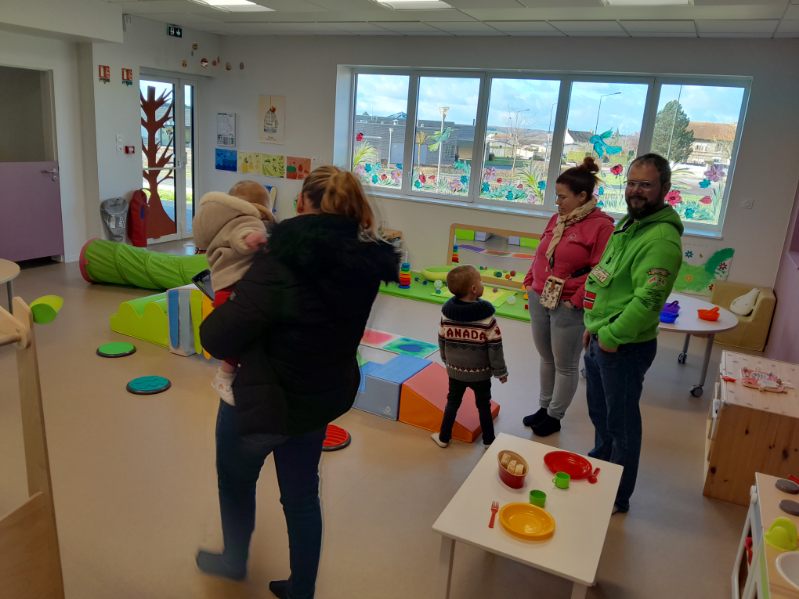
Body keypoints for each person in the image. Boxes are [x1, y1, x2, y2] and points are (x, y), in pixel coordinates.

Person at [195, 166, 400, 599]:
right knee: (302, 496)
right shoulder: (365, 264)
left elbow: (218, 337)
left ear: (303, 203)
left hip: (259, 400)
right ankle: (301, 588)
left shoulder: (280, 259)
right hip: (318, 399)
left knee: (234, 482)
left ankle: (233, 561)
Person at [581, 153, 684, 514]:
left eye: (645, 184)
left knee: (621, 424)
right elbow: (607, 277)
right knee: (601, 415)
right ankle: (600, 468)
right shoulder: (630, 224)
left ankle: (617, 495)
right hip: (601, 337)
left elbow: (649, 300)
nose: (635, 191)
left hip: (622, 347)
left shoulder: (660, 239)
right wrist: (593, 327)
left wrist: (610, 336)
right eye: (631, 182)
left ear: (665, 190)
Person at [522, 157, 614, 437]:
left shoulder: (602, 227)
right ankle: (543, 406)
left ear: (582, 196)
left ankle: (555, 415)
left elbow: (602, 271)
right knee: (546, 357)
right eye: (556, 196)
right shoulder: (557, 219)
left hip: (568, 304)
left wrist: (575, 299)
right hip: (540, 296)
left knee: (565, 363)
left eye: (562, 197)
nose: (557, 203)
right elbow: (542, 252)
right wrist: (529, 280)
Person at [192, 180, 275, 402]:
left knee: (240, 335)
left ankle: (230, 372)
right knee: (239, 336)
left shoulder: (221, 223)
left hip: (224, 286)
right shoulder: (245, 221)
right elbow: (242, 236)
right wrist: (253, 240)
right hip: (234, 288)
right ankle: (224, 376)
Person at [431, 265, 508, 449]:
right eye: (480, 280)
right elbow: (495, 347)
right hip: (480, 373)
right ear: (474, 289)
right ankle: (489, 441)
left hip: (455, 371)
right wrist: (500, 372)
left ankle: (443, 437)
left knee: (452, 402)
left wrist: (446, 360)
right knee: (483, 405)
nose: (482, 283)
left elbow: (442, 339)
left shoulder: (446, 315)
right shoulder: (487, 319)